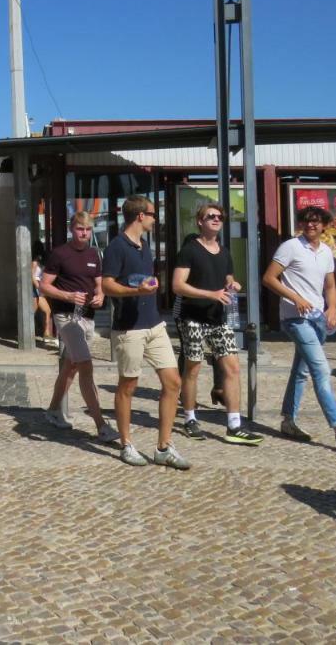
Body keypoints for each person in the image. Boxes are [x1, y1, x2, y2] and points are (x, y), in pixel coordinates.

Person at [262, 206, 336, 451]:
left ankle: (288, 420)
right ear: (300, 224)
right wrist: (295, 297)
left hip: (318, 317)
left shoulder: (326, 251)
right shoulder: (290, 247)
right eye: (307, 221)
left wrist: (333, 309)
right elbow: (269, 278)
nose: (311, 225)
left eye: (316, 221)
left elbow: (330, 286)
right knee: (321, 369)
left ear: (324, 225)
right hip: (295, 319)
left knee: (302, 371)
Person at [102, 196, 189, 469]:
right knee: (128, 385)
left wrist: (150, 283)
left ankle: (164, 446)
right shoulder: (117, 246)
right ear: (140, 216)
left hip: (154, 323)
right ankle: (126, 444)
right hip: (129, 328)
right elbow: (106, 286)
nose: (155, 218)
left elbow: (142, 278)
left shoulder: (146, 245)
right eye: (152, 214)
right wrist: (135, 291)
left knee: (173, 382)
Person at [171, 203, 263, 445]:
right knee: (193, 368)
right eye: (210, 216)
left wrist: (233, 283)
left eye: (219, 216)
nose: (215, 219)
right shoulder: (189, 250)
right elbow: (178, 285)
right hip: (192, 318)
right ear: (199, 222)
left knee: (232, 368)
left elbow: (227, 276)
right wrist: (210, 294)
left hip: (218, 319)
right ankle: (190, 418)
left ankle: (234, 425)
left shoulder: (224, 251)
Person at [39, 211, 114, 443]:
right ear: (72, 229)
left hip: (88, 317)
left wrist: (100, 296)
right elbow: (43, 286)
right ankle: (101, 424)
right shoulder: (60, 254)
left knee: (71, 367)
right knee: (85, 366)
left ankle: (53, 410)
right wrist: (68, 296)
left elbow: (99, 283)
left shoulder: (94, 253)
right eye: (80, 228)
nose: (84, 233)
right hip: (66, 316)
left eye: (88, 229)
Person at [32, 240, 56, 345]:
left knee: (46, 311)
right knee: (35, 312)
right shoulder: (34, 262)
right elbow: (31, 276)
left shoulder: (40, 262)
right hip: (35, 289)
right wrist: (38, 286)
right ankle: (39, 333)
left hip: (39, 288)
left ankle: (46, 333)